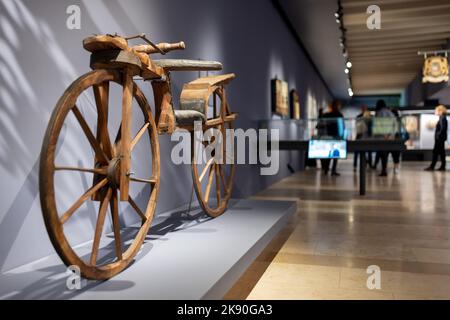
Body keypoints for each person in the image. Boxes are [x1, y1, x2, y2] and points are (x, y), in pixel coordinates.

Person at [320, 100, 344, 176]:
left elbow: (321, 118)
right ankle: (332, 170)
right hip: (335, 136)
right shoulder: (339, 114)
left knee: (330, 155)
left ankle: (327, 170)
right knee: (334, 155)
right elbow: (342, 126)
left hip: (330, 136)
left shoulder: (328, 114)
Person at [375, 99, 395, 177]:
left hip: (381, 137)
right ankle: (384, 169)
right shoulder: (390, 113)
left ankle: (384, 170)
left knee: (383, 154)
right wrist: (390, 135)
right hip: (389, 137)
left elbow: (378, 125)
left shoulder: (379, 113)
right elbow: (394, 125)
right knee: (385, 154)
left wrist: (383, 135)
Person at [425, 105, 448, 171]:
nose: (435, 112)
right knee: (441, 152)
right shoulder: (442, 118)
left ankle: (433, 166)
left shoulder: (442, 118)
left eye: (436, 110)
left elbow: (442, 129)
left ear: (440, 111)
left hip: (440, 139)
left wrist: (438, 136)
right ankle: (441, 166)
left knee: (436, 152)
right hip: (440, 138)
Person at [354, 106, 373, 171]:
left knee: (369, 151)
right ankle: (355, 165)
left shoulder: (369, 116)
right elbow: (357, 126)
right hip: (361, 135)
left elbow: (371, 126)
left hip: (367, 136)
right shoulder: (360, 116)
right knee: (357, 151)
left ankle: (369, 163)